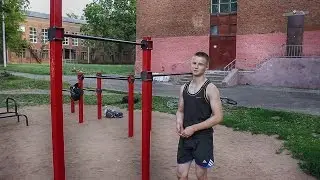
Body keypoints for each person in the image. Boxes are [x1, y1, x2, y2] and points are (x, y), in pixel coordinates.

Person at [176, 52, 223, 180]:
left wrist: (194, 128)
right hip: (186, 136)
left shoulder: (210, 88)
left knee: (200, 175)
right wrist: (179, 122)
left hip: (202, 138)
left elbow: (218, 117)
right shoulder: (183, 88)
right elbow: (180, 110)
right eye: (194, 63)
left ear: (206, 67)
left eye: (200, 64)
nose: (196, 67)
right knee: (181, 174)